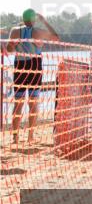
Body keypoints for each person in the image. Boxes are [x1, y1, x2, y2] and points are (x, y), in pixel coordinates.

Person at [5, 9, 59, 143]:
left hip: (19, 66)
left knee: (18, 103)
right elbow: (56, 38)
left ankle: (15, 138)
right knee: (33, 102)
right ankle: (30, 136)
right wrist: (45, 21)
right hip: (34, 65)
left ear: (23, 19)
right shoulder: (38, 32)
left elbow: (9, 50)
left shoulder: (15, 31)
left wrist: (14, 44)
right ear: (34, 19)